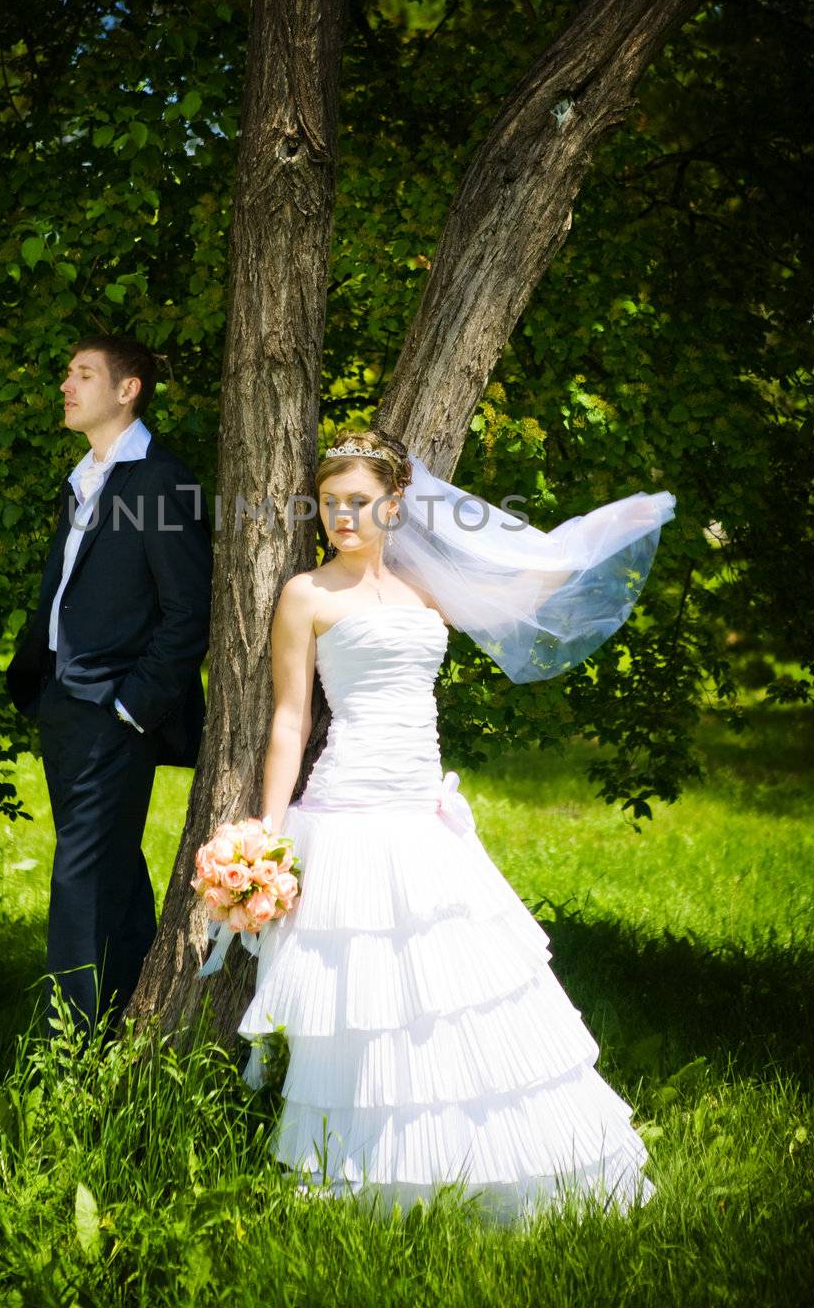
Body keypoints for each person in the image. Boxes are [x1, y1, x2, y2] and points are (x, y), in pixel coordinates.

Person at [235, 427, 675, 1221]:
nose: (342, 516)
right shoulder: (307, 594)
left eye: (359, 502)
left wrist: (611, 527)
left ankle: (480, 1157)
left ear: (394, 504)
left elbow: (528, 594)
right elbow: (290, 722)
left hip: (423, 812)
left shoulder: (423, 587)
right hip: (347, 809)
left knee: (453, 989)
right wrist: (267, 837)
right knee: (362, 997)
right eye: (331, 503)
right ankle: (364, 1173)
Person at [6, 335, 212, 1037]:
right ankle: (126, 1022)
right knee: (108, 874)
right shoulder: (87, 476)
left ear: (127, 390)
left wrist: (132, 706)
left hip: (112, 709)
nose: (66, 385)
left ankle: (69, 1054)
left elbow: (189, 610)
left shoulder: (160, 481)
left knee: (81, 883)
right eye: (67, 373)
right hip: (63, 701)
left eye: (83, 374)